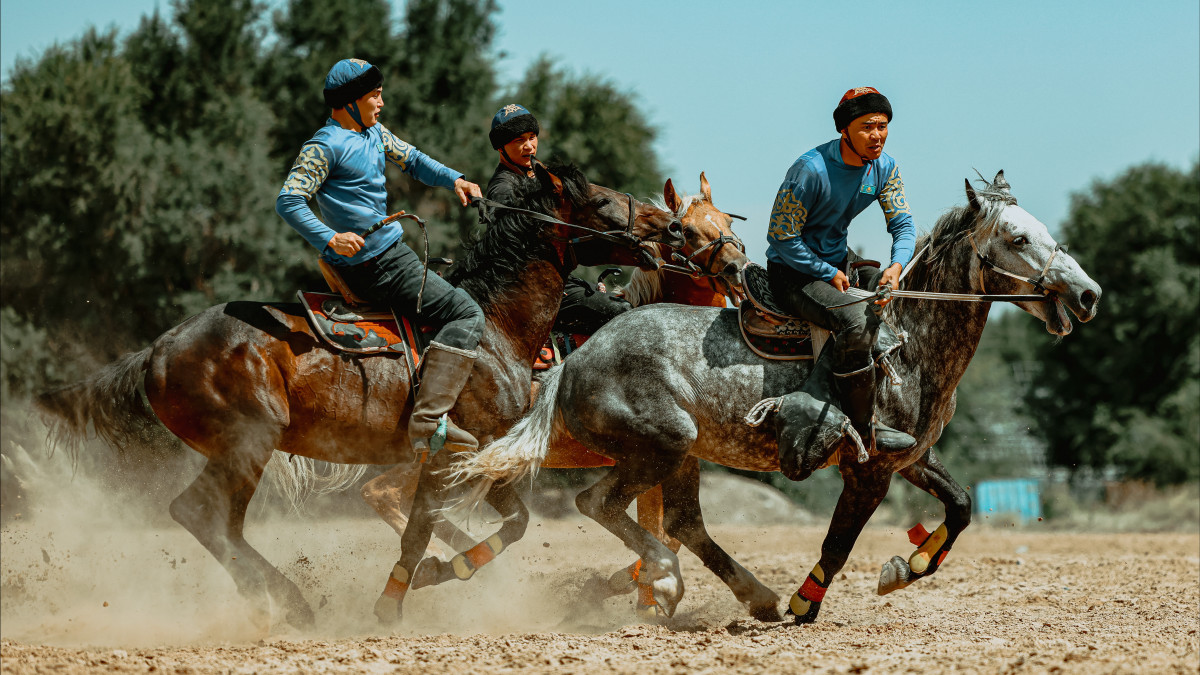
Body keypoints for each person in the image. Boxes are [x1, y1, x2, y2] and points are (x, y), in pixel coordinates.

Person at [275, 58, 484, 459]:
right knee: (466, 313)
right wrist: (330, 237)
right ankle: (428, 421)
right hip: (379, 264)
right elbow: (289, 200)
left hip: (391, 255)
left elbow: (415, 160)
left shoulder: (374, 133)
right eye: (375, 95)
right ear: (351, 101)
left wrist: (454, 179)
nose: (382, 102)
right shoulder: (325, 145)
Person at [766, 87, 917, 453]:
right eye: (867, 127)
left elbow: (903, 226)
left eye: (882, 126)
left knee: (889, 302)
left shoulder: (885, 167)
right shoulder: (809, 170)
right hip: (793, 272)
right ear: (845, 130)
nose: (877, 135)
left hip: (839, 262)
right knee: (856, 321)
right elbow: (781, 236)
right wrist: (825, 271)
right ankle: (865, 430)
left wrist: (896, 267)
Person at [485, 104, 633, 335]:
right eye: (518, 140)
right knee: (621, 311)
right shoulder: (503, 187)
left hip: (554, 282)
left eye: (532, 137)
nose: (529, 146)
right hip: (527, 289)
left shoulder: (537, 173)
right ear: (501, 148)